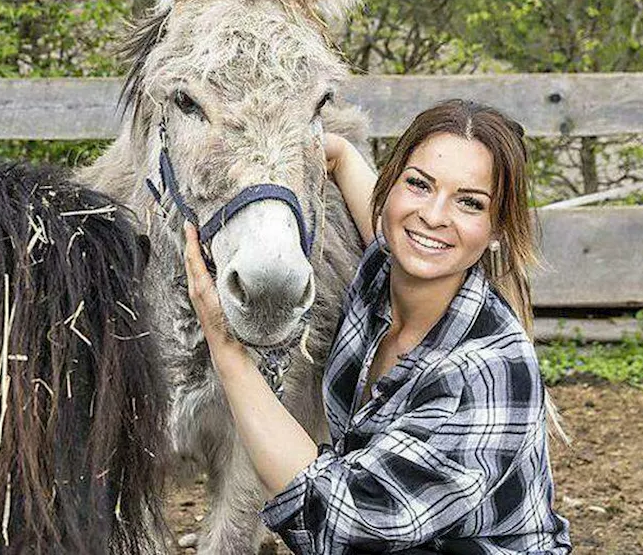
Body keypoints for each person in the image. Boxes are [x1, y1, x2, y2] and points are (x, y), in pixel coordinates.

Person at [183, 100, 572, 554]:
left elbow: (339, 525)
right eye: (418, 184)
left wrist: (226, 348)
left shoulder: (485, 373)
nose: (433, 215)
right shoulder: (386, 278)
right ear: (389, 188)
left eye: (469, 202)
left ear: (498, 230)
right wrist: (341, 155)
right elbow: (391, 225)